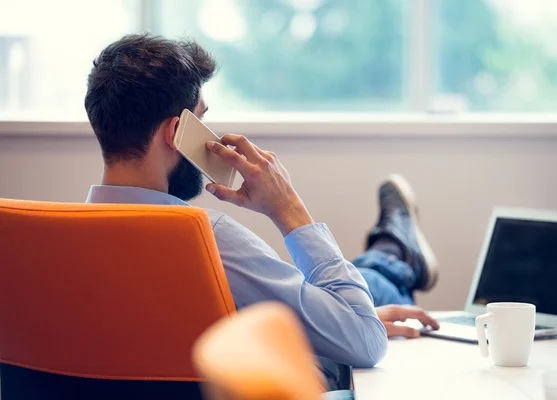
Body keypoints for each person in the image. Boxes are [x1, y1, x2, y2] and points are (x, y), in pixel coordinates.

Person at [83, 34, 439, 372]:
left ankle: (388, 251)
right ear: (175, 132)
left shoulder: (55, 236)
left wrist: (339, 321)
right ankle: (392, 252)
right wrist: (287, 206)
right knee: (368, 282)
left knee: (349, 288)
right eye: (201, 119)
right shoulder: (205, 238)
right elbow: (365, 342)